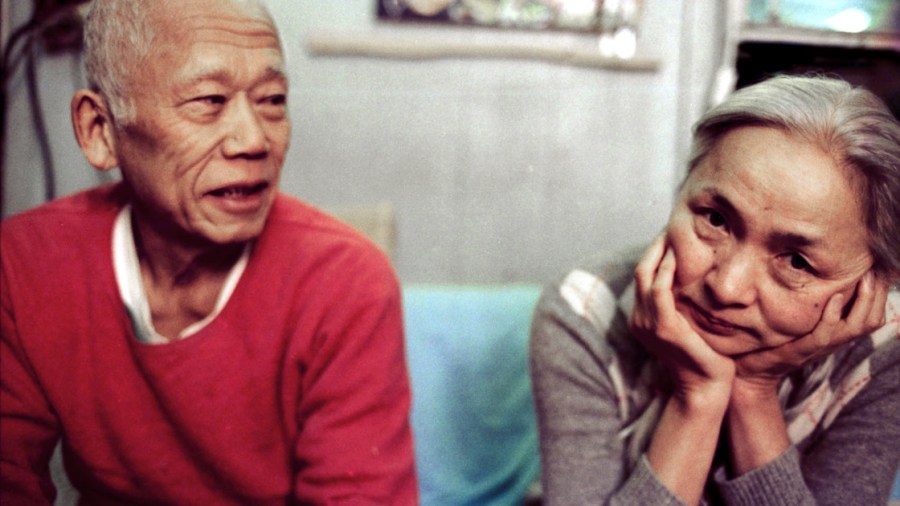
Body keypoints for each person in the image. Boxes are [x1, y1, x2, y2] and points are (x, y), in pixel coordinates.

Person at [0, 0, 418, 504]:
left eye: (272, 100)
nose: (254, 140)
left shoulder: (346, 281)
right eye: (208, 100)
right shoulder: (24, 265)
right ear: (101, 130)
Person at [530, 75, 900, 505]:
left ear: (876, 281)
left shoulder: (884, 353)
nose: (726, 288)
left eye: (797, 262)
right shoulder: (585, 311)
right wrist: (697, 396)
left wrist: (754, 389)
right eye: (716, 220)